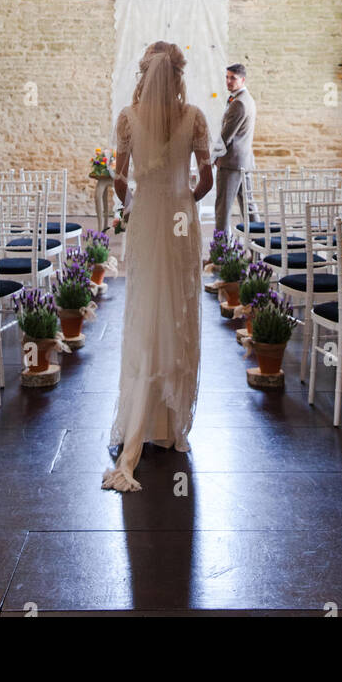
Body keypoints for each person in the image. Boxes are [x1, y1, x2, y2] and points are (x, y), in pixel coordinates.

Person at [102, 42, 213, 493]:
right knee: (179, 312)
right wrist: (184, 197)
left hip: (147, 217)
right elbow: (205, 177)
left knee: (144, 308)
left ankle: (142, 421)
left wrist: (136, 204)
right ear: (179, 74)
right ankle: (171, 427)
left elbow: (119, 177)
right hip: (181, 220)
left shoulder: (129, 117)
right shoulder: (196, 118)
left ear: (145, 73)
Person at [212, 63, 257, 237]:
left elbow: (225, 138)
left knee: (222, 208)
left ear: (243, 79)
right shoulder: (248, 99)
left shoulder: (239, 103)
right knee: (249, 207)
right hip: (244, 161)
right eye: (227, 77)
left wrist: (210, 159)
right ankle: (257, 253)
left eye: (233, 78)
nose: (229, 81)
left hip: (231, 163)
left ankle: (219, 253)